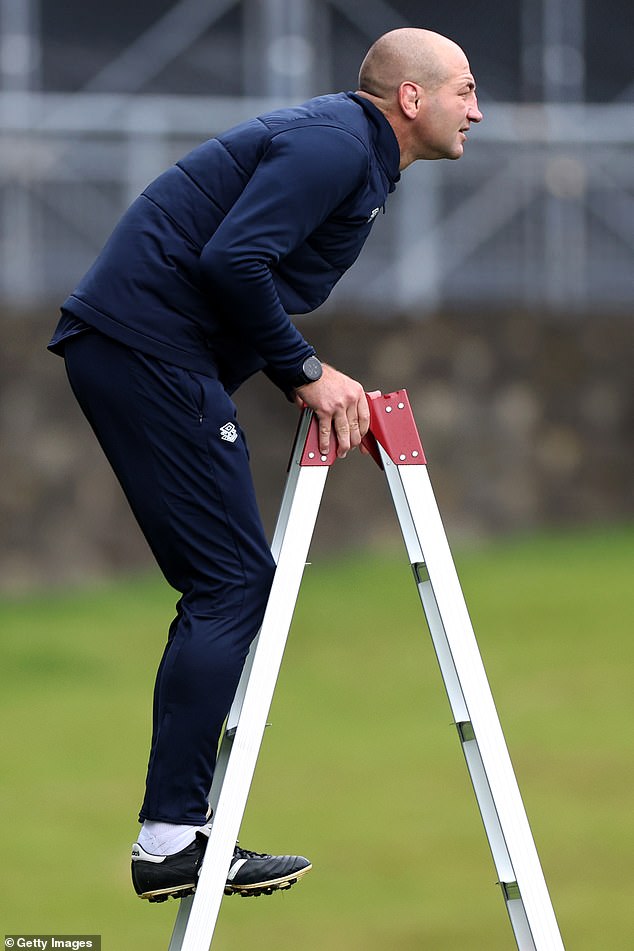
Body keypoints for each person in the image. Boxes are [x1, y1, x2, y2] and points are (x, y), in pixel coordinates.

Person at [48, 27, 482, 903]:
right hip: (146, 349)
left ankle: (175, 834)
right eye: (465, 89)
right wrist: (306, 370)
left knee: (230, 580)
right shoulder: (334, 145)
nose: (478, 108)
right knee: (233, 582)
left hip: (145, 349)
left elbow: (244, 269)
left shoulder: (351, 153)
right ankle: (172, 840)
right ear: (410, 98)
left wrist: (291, 369)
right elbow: (232, 259)